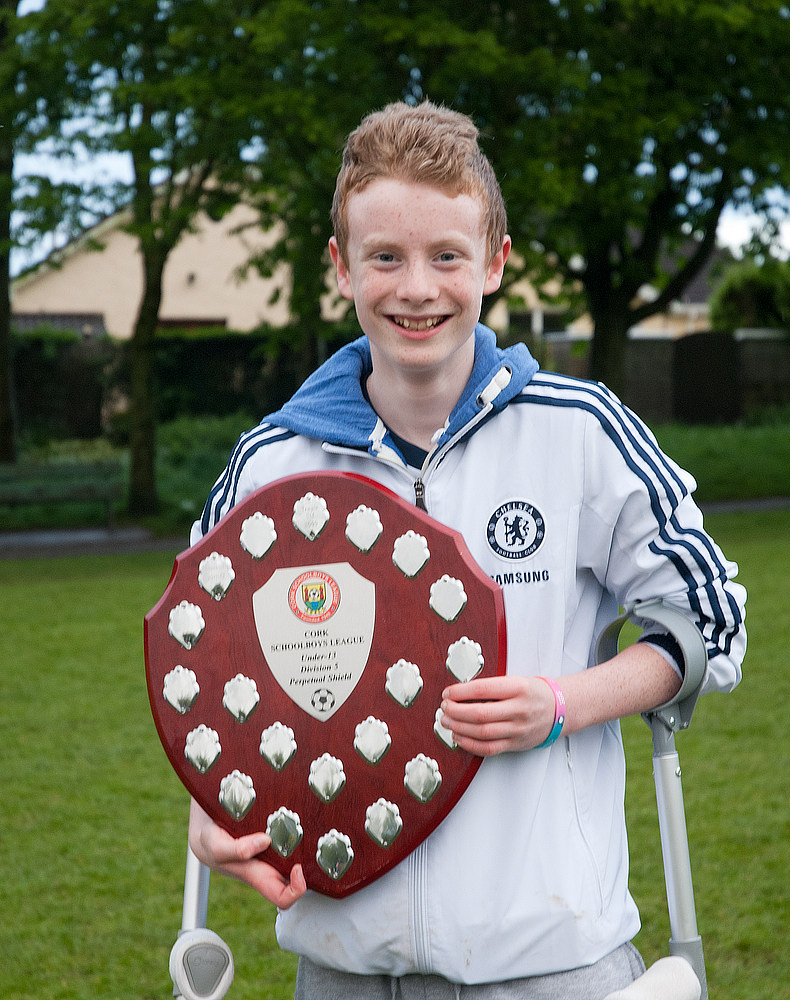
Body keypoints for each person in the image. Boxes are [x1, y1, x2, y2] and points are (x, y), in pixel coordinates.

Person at [188, 100, 746, 999]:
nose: (417, 288)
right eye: (385, 257)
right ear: (341, 269)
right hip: (341, 969)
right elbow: (209, 681)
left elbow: (711, 623)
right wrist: (214, 815)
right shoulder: (271, 463)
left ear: (494, 261)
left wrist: (563, 703)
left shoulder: (581, 432)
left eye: (447, 255)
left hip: (553, 965)